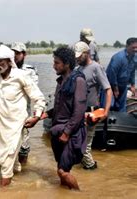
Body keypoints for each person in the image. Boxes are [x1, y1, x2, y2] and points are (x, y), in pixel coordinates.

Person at [0, 45, 46, 186]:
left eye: (1, 61)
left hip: (16, 128)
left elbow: (38, 98)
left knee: (6, 164)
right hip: (0, 128)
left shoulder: (21, 76)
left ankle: (3, 190)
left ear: (9, 61)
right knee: (2, 161)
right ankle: (19, 184)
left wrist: (36, 117)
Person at [43, 47, 87, 190]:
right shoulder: (61, 81)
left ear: (67, 64)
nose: (54, 65)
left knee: (63, 171)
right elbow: (61, 107)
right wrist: (46, 114)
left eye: (57, 63)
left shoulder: (78, 80)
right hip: (58, 131)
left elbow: (79, 111)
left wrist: (67, 132)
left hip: (70, 133)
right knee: (60, 170)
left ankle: (80, 194)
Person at [73, 41, 112, 170]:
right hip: (78, 112)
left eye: (80, 56)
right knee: (77, 144)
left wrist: (106, 111)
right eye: (76, 57)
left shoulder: (96, 68)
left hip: (91, 113)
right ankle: (87, 169)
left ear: (87, 53)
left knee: (85, 147)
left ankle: (92, 170)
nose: (77, 59)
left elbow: (108, 89)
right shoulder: (78, 69)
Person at [10, 42, 39, 167]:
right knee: (8, 148)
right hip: (7, 115)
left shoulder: (30, 71)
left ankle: (23, 173)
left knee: (24, 148)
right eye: (13, 53)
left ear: (24, 54)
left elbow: (32, 91)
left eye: (17, 53)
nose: (14, 56)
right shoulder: (5, 69)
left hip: (23, 115)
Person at [105, 37, 137, 112]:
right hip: (111, 85)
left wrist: (132, 85)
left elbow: (132, 71)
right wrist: (115, 88)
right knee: (110, 106)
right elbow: (112, 74)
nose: (135, 50)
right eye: (133, 47)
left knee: (122, 108)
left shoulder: (135, 58)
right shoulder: (118, 57)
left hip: (123, 85)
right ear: (127, 46)